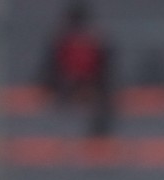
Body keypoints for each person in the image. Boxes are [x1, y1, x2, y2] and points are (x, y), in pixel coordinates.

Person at [40, 1, 113, 137]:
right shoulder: (62, 41)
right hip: (68, 84)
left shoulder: (94, 41)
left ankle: (98, 134)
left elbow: (104, 68)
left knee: (101, 101)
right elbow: (52, 67)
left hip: (89, 84)